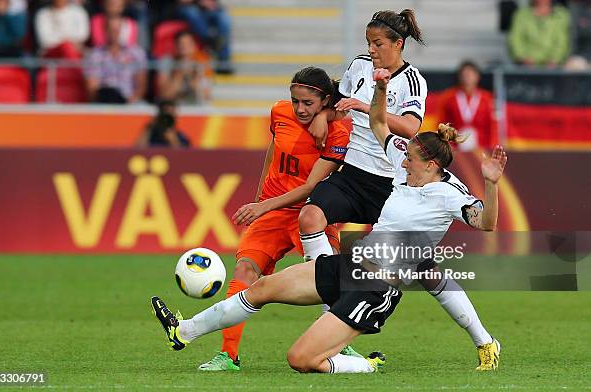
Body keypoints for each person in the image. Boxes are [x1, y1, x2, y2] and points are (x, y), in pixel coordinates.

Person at [150, 67, 507, 373]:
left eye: (410, 158)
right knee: (261, 288)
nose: (401, 161)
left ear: (430, 165)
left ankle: (365, 365)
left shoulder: (450, 194)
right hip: (352, 265)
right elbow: (380, 122)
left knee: (300, 359)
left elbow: (486, 222)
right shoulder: (404, 163)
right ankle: (183, 331)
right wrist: (380, 88)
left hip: (377, 287)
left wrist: (490, 185)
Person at [297, 10, 498, 370]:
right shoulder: (359, 66)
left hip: (391, 181)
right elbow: (338, 107)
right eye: (368, 43)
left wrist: (367, 104)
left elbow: (409, 126)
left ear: (397, 44)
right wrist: (321, 118)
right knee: (311, 215)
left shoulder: (414, 82)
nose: (371, 50)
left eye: (378, 44)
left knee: (426, 270)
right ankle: (331, 309)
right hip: (354, 171)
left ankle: (484, 340)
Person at [194, 66, 351, 371]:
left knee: (328, 278)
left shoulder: (339, 132)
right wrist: (260, 198)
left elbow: (311, 187)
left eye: (308, 103)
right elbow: (273, 150)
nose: (300, 108)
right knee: (245, 269)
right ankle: (228, 355)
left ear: (325, 101)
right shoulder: (279, 113)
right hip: (272, 210)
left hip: (312, 213)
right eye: (296, 101)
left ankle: (342, 349)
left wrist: (263, 207)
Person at [84, 15, 147, 103]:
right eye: (111, 30)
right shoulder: (94, 55)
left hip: (129, 103)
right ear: (105, 31)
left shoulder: (137, 53)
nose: (115, 33)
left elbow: (141, 86)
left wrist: (128, 104)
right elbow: (92, 88)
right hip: (103, 101)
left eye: (117, 30)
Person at [438, 60, 496, 151]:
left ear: (477, 77)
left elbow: (492, 126)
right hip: (455, 149)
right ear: (459, 77)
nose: (467, 78)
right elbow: (442, 124)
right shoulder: (449, 98)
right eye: (464, 75)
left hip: (482, 148)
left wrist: (492, 148)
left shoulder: (487, 99)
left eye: (470, 75)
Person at [173, 0, 233, 74]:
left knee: (224, 17)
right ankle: (210, 42)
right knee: (192, 12)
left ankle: (223, 58)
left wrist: (209, 4)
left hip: (203, 10)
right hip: (186, 8)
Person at [508, 0, 571, 67]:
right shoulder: (521, 15)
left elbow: (562, 41)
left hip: (554, 66)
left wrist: (554, 60)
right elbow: (515, 39)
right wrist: (523, 58)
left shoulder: (561, 15)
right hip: (526, 65)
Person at [156, 30, 212, 104]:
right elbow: (164, 96)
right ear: (175, 46)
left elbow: (206, 97)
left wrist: (194, 78)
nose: (184, 47)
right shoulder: (167, 61)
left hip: (196, 108)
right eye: (180, 43)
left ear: (195, 45)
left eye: (188, 44)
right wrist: (179, 74)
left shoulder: (202, 61)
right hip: (174, 106)